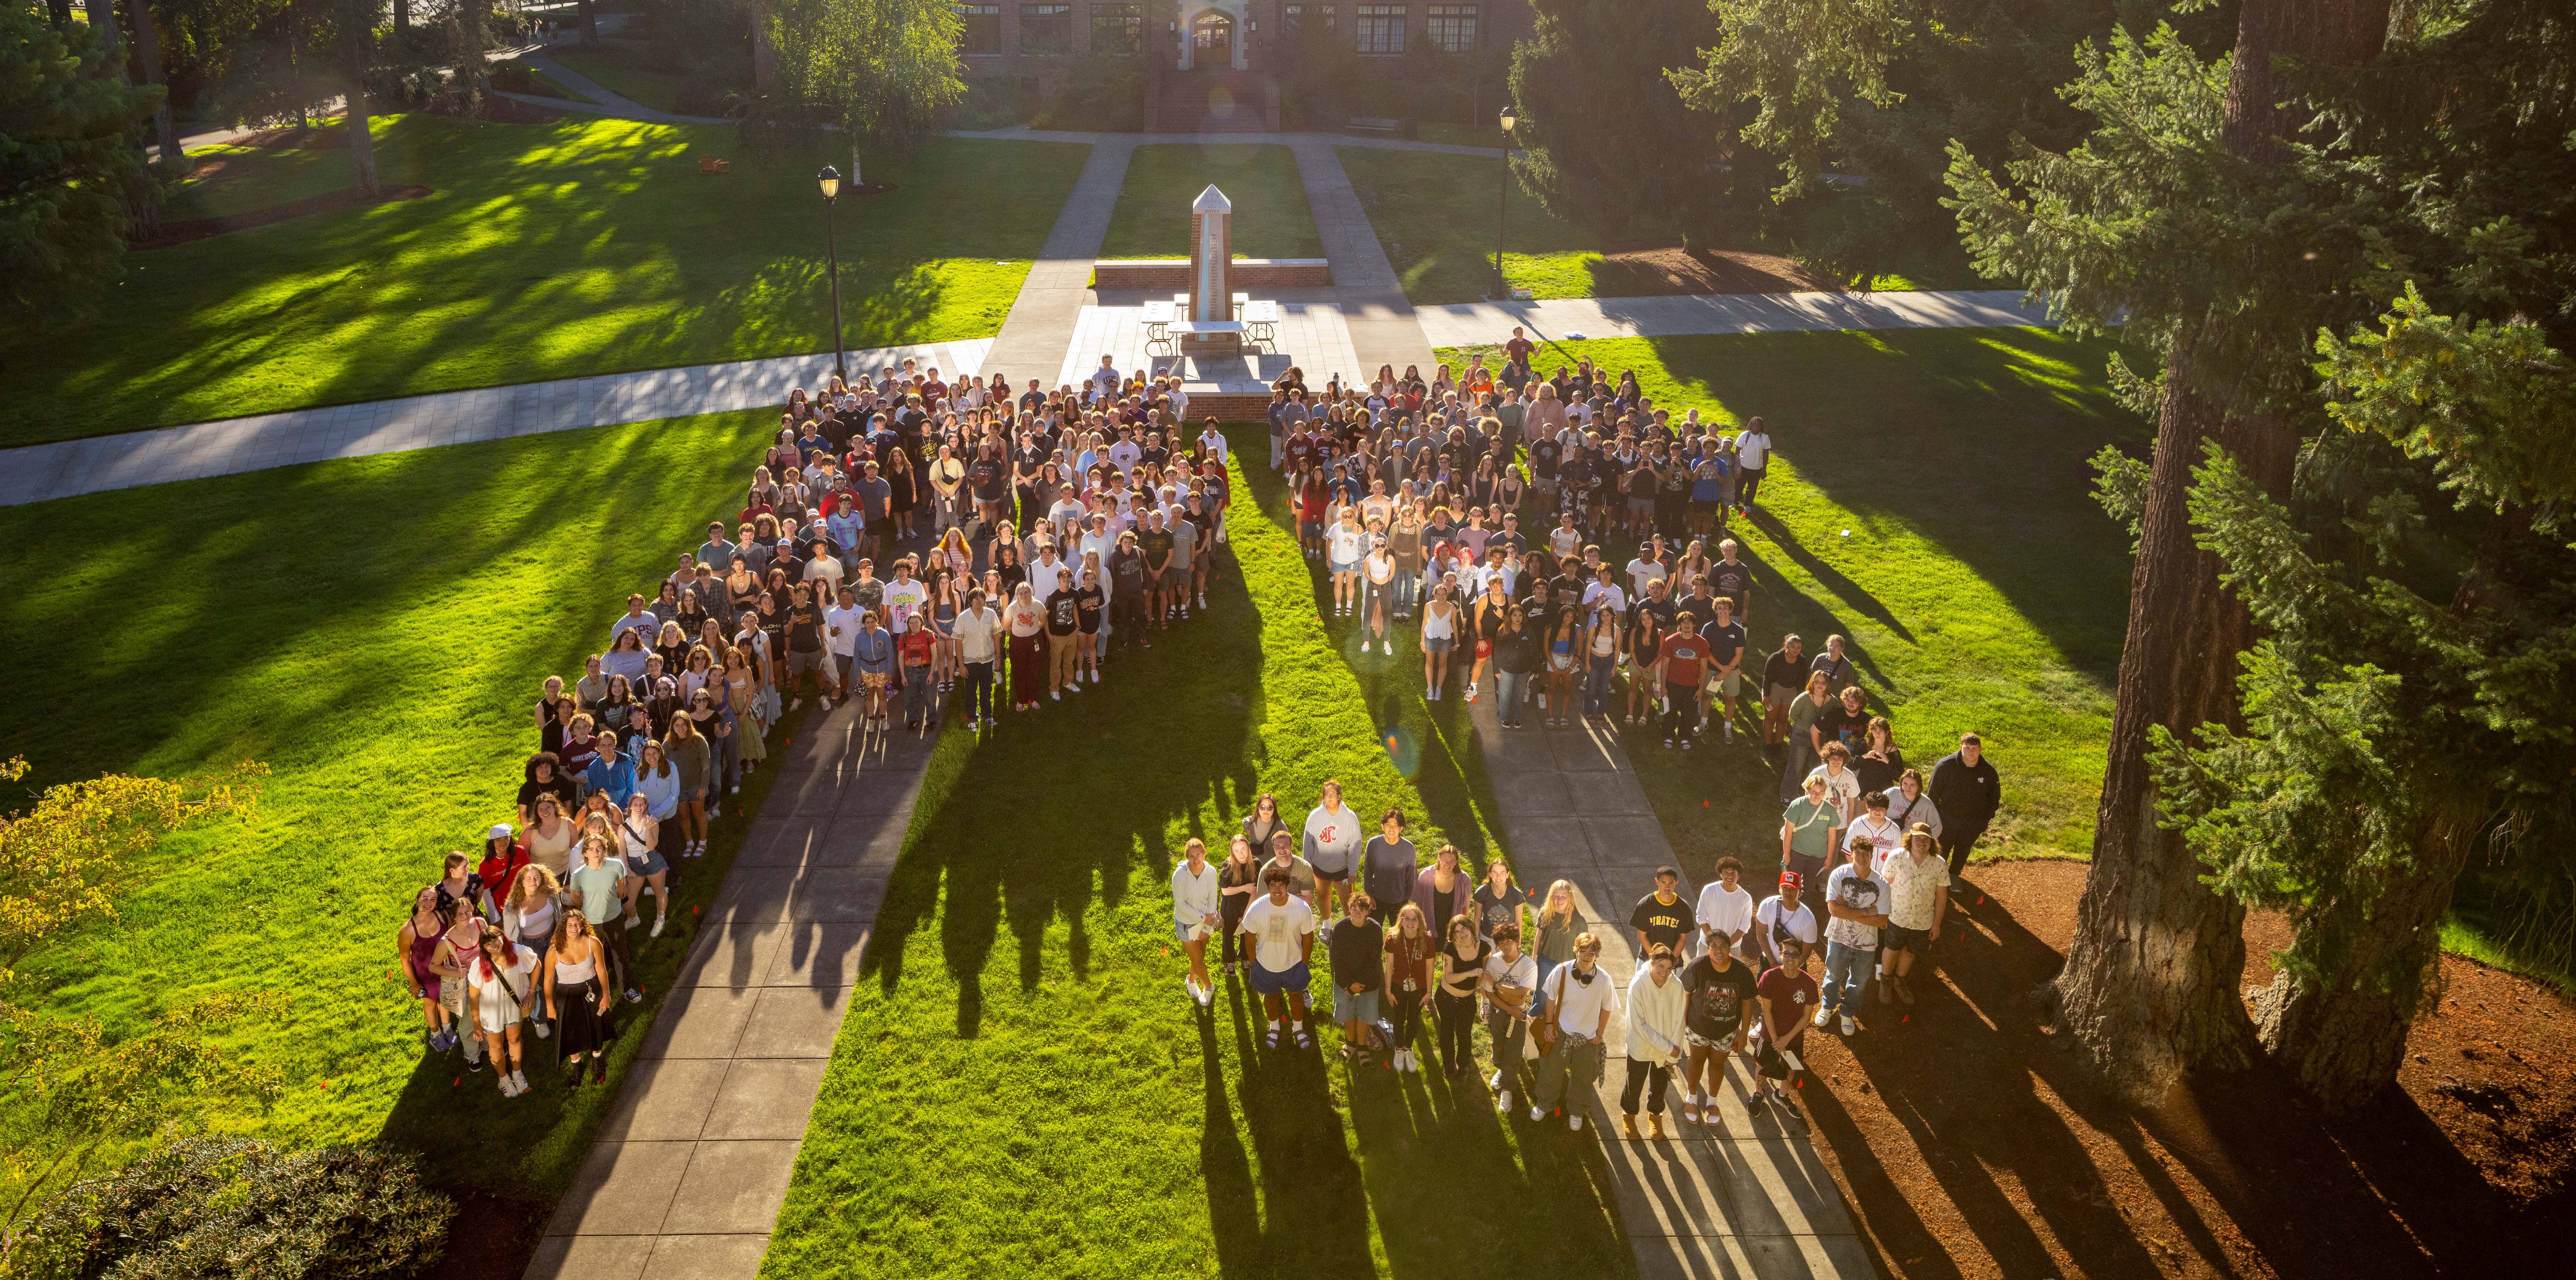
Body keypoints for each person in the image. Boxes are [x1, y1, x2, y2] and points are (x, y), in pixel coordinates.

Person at [1529, 932, 1616, 1131]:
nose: (1587, 956)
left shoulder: (1604, 980)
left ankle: (1577, 1111)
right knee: (1550, 1072)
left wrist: (1599, 1034)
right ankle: (1544, 1103)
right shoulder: (1562, 971)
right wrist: (1549, 1025)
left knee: (1583, 1078)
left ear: (1597, 955)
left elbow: (1607, 1008)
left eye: (1591, 953)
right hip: (1560, 1032)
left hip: (1587, 1039)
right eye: (1583, 951)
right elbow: (1550, 998)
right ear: (1576, 951)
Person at [1676, 930, 1756, 1129]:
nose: (1719, 951)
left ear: (1730, 948)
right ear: (1708, 948)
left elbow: (1747, 1004)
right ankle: (1692, 1098)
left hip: (1726, 1032)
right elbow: (1685, 995)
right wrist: (1681, 1025)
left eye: (1723, 946)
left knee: (1717, 1064)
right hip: (1698, 1028)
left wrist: (1743, 1034)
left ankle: (1712, 1102)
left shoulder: (1742, 971)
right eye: (1714, 946)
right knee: (1696, 1061)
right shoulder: (1697, 966)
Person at [1240, 867, 1318, 1050]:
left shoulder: (1301, 908)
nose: (1277, 890)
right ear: (1267, 888)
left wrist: (1304, 964)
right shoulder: (1257, 908)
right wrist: (1254, 964)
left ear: (1288, 887)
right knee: (1270, 997)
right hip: (1266, 965)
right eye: (1273, 885)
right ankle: (1274, 1027)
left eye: (1281, 885)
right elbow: (1249, 937)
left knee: (1296, 997)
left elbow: (1308, 937)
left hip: (1294, 964)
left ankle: (1298, 1028)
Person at [1818, 836, 1889, 1036]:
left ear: (1872, 856)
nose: (1861, 857)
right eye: (1858, 853)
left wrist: (1847, 910)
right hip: (1838, 937)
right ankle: (1828, 1006)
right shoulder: (1839, 875)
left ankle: (1847, 1012)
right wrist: (1868, 912)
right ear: (1851, 854)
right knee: (1833, 976)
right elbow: (1834, 910)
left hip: (1867, 944)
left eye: (1866, 854)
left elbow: (1882, 921)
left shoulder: (1882, 884)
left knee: (1858, 983)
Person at [1878, 824, 1951, 1011]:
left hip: (1923, 921)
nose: (1922, 842)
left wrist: (1937, 924)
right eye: (1918, 838)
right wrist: (1882, 913)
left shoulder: (1939, 864)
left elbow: (1942, 896)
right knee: (1892, 948)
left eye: (1926, 839)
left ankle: (1899, 982)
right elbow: (1884, 887)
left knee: (1911, 952)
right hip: (1897, 917)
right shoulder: (1896, 857)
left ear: (1932, 843)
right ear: (1910, 839)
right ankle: (1886, 982)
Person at [1748, 937, 1817, 1127]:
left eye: (1795, 955)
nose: (1790, 958)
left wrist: (1786, 1040)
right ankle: (1759, 1093)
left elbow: (1806, 1016)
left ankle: (1782, 1095)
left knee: (1792, 1069)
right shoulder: (1769, 977)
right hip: (1769, 1036)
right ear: (1780, 954)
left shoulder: (1809, 983)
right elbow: (1766, 1011)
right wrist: (1775, 1040)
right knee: (1762, 1066)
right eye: (1787, 953)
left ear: (1801, 958)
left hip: (1794, 1038)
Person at [1621, 944, 1687, 1138]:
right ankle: (1629, 1115)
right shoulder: (1638, 984)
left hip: (1666, 1050)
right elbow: (1639, 1026)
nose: (1665, 973)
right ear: (1651, 962)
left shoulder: (1676, 986)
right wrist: (1668, 1048)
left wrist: (1673, 1054)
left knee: (1659, 1086)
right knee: (1634, 1084)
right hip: (1641, 1046)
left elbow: (1680, 1021)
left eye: (1669, 969)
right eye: (1661, 966)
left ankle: (1655, 1116)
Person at [545, 909, 615, 1087]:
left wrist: (606, 994)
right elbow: (548, 980)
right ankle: (577, 1066)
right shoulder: (553, 951)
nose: (574, 928)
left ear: (583, 925)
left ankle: (597, 1060)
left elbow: (601, 969)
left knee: (595, 1026)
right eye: (570, 925)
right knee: (570, 1032)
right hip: (566, 996)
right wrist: (550, 1006)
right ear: (563, 927)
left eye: (577, 924)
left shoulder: (594, 943)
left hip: (591, 991)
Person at [569, 837, 641, 1003]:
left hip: (614, 918)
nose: (596, 852)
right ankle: (597, 993)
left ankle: (626, 989)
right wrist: (588, 909)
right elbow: (575, 898)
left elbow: (621, 891)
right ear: (585, 853)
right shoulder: (579, 875)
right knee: (593, 959)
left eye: (599, 848)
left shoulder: (616, 866)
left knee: (621, 954)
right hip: (591, 923)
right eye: (591, 849)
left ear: (604, 850)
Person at [467, 932, 539, 1098]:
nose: (493, 946)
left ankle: (517, 1074)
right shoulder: (478, 965)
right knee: (497, 1046)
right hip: (492, 1013)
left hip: (514, 1007)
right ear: (484, 948)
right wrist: (476, 1024)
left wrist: (531, 992)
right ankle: (504, 1079)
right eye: (488, 945)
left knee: (514, 1039)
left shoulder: (518, 952)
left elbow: (537, 965)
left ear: (502, 938)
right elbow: (474, 997)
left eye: (495, 941)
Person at [1927, 732, 2002, 886]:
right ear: (1961, 747)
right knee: (1941, 850)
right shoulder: (1945, 766)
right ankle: (1936, 879)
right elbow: (1933, 795)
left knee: (1963, 850)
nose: (1971, 752)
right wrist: (1937, 818)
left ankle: (1954, 875)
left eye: (1975, 748)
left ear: (1981, 749)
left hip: (1973, 823)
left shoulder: (1988, 772)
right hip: (1946, 821)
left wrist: (1984, 821)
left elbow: (1994, 799)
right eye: (1967, 748)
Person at [1482, 923, 1538, 1112]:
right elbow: (1488, 994)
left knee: (1514, 1052)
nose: (1505, 946)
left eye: (1509, 942)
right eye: (1501, 943)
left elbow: (1521, 993)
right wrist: (1509, 1007)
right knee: (1498, 1047)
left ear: (1517, 942)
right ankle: (1502, 1070)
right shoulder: (1494, 961)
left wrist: (1497, 985)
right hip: (1500, 1012)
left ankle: (1508, 1090)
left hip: (1518, 1015)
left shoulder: (1528, 965)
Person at [1327, 893, 1386, 1064]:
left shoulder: (1375, 929)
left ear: (1368, 912)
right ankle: (1350, 1045)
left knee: (1364, 1016)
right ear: (1349, 909)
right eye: (1354, 909)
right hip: (1345, 983)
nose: (1357, 913)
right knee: (1348, 1015)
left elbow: (1374, 960)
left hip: (1368, 983)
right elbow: (1336, 958)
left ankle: (1362, 1047)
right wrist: (1349, 984)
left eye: (1362, 910)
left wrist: (1358, 984)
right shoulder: (1339, 928)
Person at [1434, 913, 1492, 1078]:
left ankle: (1464, 1065)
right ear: (1453, 934)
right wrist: (1469, 974)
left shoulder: (1484, 948)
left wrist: (1477, 983)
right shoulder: (1450, 948)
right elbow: (1449, 978)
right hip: (1446, 998)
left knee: (1464, 1034)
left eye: (1464, 929)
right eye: (1457, 931)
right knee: (1447, 1032)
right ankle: (1449, 1065)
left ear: (1471, 928)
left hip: (1468, 1000)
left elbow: (1483, 973)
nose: (1461, 934)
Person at [1384, 901, 1437, 1072]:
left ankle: (1408, 1048)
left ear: (1420, 922)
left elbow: (1430, 968)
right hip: (1398, 985)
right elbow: (1389, 965)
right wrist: (1388, 990)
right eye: (1407, 919)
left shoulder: (1428, 940)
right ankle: (1399, 1048)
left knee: (1414, 1018)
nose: (1410, 923)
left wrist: (1428, 993)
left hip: (1419, 987)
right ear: (1401, 921)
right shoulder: (1393, 938)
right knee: (1399, 1017)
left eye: (1415, 919)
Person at [1170, 837, 1222, 1008]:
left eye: (1199, 854)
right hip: (1186, 924)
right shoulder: (1179, 876)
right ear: (1187, 857)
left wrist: (1206, 926)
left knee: (1199, 956)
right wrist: (1203, 919)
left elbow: (1213, 899)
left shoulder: (1211, 872)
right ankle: (1209, 986)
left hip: (1207, 922)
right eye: (1191, 856)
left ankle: (1191, 979)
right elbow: (1181, 905)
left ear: (1204, 854)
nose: (1196, 859)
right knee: (1198, 961)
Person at [1301, 780, 1362, 918]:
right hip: (1320, 867)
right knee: (1323, 896)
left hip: (1343, 869)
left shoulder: (1350, 817)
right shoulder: (1315, 816)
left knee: (1348, 901)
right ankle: (1326, 924)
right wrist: (1307, 868)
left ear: (1339, 796)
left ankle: (1349, 924)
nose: (1329, 797)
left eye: (1333, 794)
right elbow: (1308, 844)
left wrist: (1352, 870)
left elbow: (1356, 844)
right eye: (1327, 794)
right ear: (1323, 797)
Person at [617, 791, 672, 937]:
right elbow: (622, 850)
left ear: (646, 806)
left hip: (652, 860)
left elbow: (652, 846)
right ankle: (633, 919)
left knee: (660, 892)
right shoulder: (623, 828)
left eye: (642, 804)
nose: (638, 807)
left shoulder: (652, 821)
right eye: (635, 804)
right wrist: (628, 869)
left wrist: (648, 831)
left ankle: (660, 919)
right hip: (635, 865)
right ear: (630, 807)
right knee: (628, 903)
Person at [1780, 775, 1841, 888]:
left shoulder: (1830, 810)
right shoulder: (1798, 805)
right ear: (1808, 790)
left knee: (1809, 885)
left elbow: (1832, 836)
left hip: (1818, 856)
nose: (1817, 795)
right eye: (1814, 792)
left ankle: (1805, 899)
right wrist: (1787, 854)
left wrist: (1829, 858)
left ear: (1825, 793)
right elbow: (1788, 832)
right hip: (1797, 852)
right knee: (1791, 885)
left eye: (1821, 792)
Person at [1216, 834, 1264, 977]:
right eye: (1236, 851)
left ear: (1248, 848)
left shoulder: (1256, 864)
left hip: (1248, 905)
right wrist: (1244, 888)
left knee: (1246, 933)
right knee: (1228, 936)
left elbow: (1254, 891)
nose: (1241, 854)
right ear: (1232, 852)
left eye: (1243, 849)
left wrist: (1247, 913)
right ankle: (1229, 961)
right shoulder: (1227, 866)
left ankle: (1245, 957)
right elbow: (1225, 891)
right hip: (1230, 907)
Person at [1752, 871, 1819, 973]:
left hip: (1794, 966)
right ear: (1780, 889)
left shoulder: (1808, 919)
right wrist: (1774, 964)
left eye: (1793, 889)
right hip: (1769, 962)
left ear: (1800, 892)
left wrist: (1789, 969)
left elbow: (1806, 952)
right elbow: (1761, 935)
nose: (1788, 892)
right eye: (1785, 888)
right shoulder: (1767, 905)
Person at [954, 588, 1001, 729]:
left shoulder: (991, 615)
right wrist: (961, 665)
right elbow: (958, 643)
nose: (978, 600)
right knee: (971, 692)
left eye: (981, 597)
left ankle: (987, 715)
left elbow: (996, 637)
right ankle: (972, 719)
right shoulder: (963, 618)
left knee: (987, 690)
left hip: (987, 661)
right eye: (975, 598)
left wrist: (998, 658)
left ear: (985, 600)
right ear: (970, 601)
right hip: (970, 662)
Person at [1694, 856, 1755, 962]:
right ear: (1721, 874)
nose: (1729, 876)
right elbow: (1701, 917)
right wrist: (1713, 943)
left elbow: (1744, 927)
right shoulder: (1709, 890)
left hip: (1733, 948)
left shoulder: (1746, 898)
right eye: (1726, 873)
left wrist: (1726, 945)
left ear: (1738, 876)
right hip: (1707, 945)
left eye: (1733, 873)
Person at [1360, 807, 1417, 919]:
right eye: (1388, 825)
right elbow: (1368, 872)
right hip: (1377, 898)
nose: (1392, 829)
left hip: (1400, 900)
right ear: (1382, 827)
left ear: (1401, 829)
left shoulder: (1408, 848)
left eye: (1396, 826)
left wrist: (1408, 899)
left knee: (1399, 930)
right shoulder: (1373, 844)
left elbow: (1412, 876)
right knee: (1374, 928)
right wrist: (1369, 895)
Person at [1630, 864, 1695, 961]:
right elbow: (1642, 936)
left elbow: (1683, 938)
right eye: (1663, 883)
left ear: (1676, 883)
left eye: (1671, 883)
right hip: (1647, 959)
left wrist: (1671, 960)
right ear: (1657, 881)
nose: (1667, 887)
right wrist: (1655, 958)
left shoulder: (1684, 907)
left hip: (1673, 962)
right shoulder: (1645, 904)